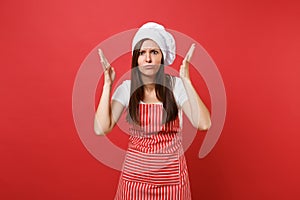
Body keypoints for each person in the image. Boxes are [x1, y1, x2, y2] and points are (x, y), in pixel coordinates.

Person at [94, 22, 211, 200]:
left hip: (172, 183)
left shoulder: (176, 86)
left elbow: (204, 123)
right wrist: (107, 85)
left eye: (154, 52)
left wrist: (186, 79)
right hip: (134, 183)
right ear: (136, 59)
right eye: (142, 53)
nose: (147, 59)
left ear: (162, 57)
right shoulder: (127, 89)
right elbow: (101, 129)